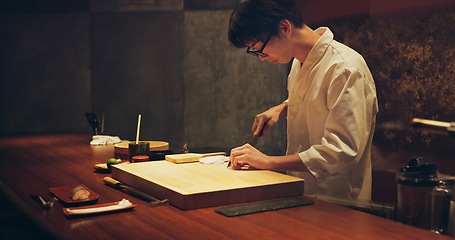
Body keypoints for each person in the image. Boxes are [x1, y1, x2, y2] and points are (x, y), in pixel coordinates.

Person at [228, 0, 379, 201]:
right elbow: (318, 98)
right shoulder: (299, 62)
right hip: (304, 195)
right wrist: (282, 108)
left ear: (284, 28)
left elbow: (342, 151)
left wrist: (268, 162)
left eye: (258, 48)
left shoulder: (345, 68)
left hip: (339, 201)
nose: (261, 58)